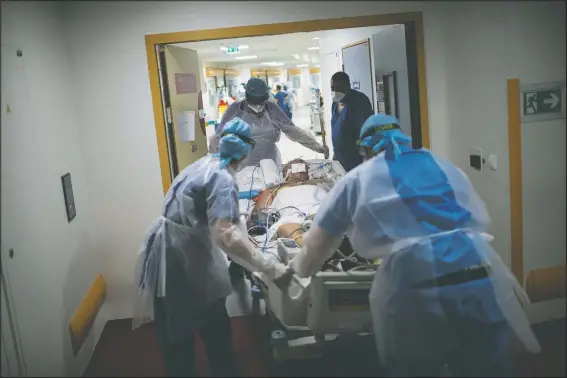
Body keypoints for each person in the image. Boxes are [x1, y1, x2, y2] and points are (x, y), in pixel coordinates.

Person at [287, 114, 541, 377]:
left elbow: (317, 247)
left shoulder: (356, 180)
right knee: (485, 366)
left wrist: (298, 269)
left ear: (366, 148)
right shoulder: (444, 165)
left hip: (415, 282)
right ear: (402, 137)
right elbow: (475, 218)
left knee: (416, 367)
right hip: (478, 269)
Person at [132, 118, 292, 377]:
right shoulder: (222, 180)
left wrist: (239, 215)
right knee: (203, 322)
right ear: (245, 151)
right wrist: (269, 267)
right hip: (182, 257)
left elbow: (210, 211)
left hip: (168, 248)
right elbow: (226, 235)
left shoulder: (202, 165)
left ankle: (210, 367)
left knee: (186, 323)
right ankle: (220, 369)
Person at [209, 77, 327, 170]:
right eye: (255, 103)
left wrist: (317, 147)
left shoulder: (272, 108)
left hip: (271, 161)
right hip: (242, 165)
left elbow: (293, 131)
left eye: (262, 102)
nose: (259, 106)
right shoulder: (235, 110)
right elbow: (218, 138)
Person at [330, 71, 373, 172]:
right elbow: (336, 129)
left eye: (339, 88)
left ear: (348, 86)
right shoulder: (335, 103)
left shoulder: (359, 101)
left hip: (356, 159)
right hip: (340, 157)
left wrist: (367, 156)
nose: (335, 91)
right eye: (332, 88)